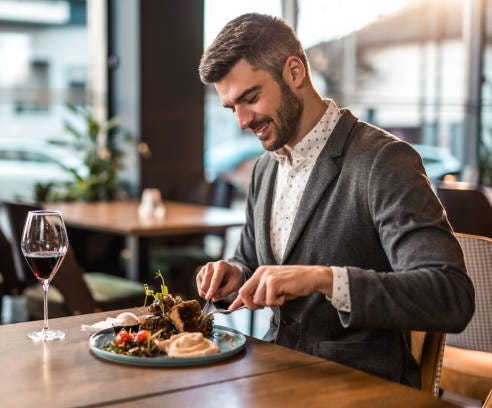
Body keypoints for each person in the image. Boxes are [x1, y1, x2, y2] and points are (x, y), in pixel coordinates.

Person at [196, 13, 474, 388]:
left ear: (294, 72)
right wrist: (235, 274)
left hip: (359, 386)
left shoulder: (384, 161)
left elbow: (449, 295)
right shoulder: (264, 168)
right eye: (232, 108)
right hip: (274, 376)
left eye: (251, 98)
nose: (242, 121)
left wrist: (324, 279)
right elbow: (249, 260)